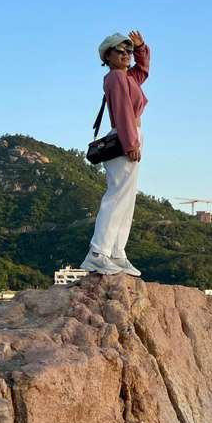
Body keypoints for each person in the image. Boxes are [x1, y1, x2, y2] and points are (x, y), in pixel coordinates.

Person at [81, 30, 149, 276]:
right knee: (118, 196)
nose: (126, 55)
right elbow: (122, 112)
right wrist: (131, 143)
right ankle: (98, 253)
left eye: (129, 51)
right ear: (107, 55)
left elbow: (143, 71)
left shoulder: (127, 77)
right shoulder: (115, 78)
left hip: (131, 137)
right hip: (125, 138)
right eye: (120, 51)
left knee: (126, 199)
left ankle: (117, 252)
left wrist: (141, 47)